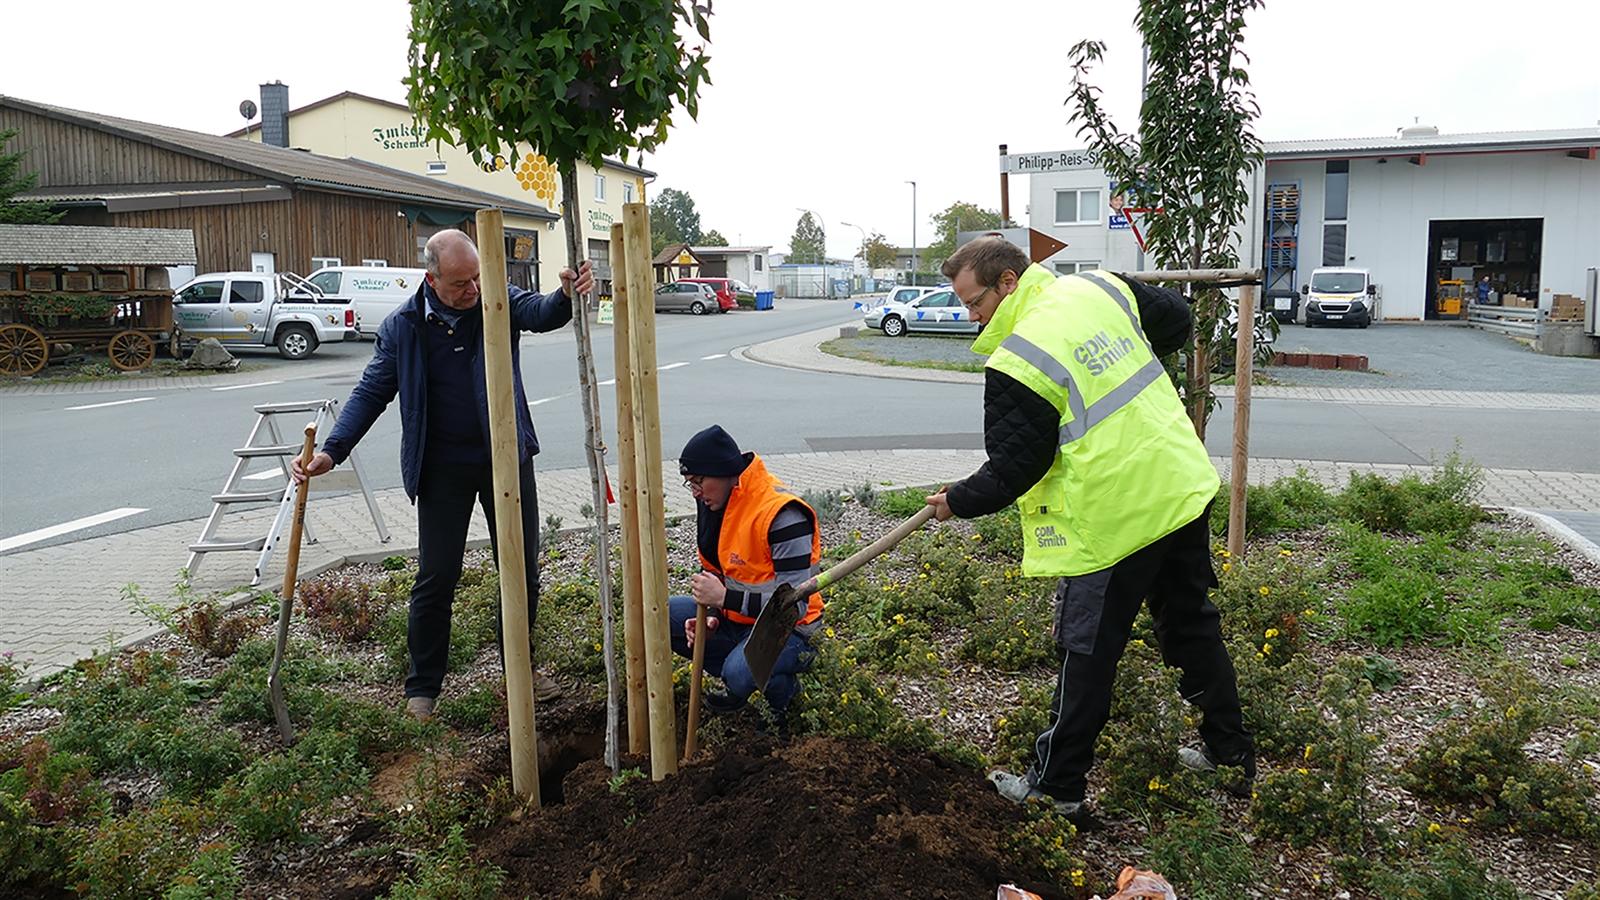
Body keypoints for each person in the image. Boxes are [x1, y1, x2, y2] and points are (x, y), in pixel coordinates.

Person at [924, 237, 1254, 818]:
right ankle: (1230, 755)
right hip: (1178, 481)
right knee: (1190, 625)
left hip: (1114, 515)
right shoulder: (1097, 287)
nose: (971, 317)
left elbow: (1014, 470)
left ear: (1007, 282)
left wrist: (958, 501)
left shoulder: (1018, 357)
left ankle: (1057, 789)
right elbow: (1176, 320)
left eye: (975, 302)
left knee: (1087, 652)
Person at [293, 229, 593, 720]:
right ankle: (423, 688)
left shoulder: (494, 299)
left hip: (506, 460)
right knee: (436, 578)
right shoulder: (404, 328)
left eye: (476, 277)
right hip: (442, 468)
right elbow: (371, 393)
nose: (473, 289)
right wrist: (333, 451)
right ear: (431, 280)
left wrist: (564, 294)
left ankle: (521, 669)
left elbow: (540, 313)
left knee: (520, 571)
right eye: (460, 283)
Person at [667, 425, 822, 726]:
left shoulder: (782, 515)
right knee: (663, 615)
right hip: (738, 621)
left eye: (699, 481)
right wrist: (711, 614)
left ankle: (782, 704)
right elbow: (713, 570)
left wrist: (725, 598)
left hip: (791, 632)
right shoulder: (714, 504)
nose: (695, 492)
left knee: (739, 673)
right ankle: (736, 671)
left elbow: (794, 606)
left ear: (724, 472)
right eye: (690, 484)